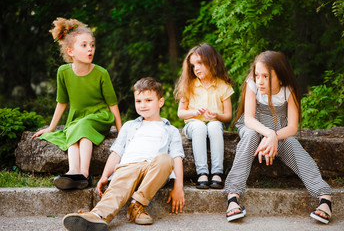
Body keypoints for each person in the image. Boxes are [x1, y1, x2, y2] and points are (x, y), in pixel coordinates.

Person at [62, 77, 185, 231]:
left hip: (153, 170)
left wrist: (178, 187)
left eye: (148, 100)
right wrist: (105, 175)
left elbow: (177, 157)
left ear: (160, 102)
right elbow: (117, 152)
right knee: (118, 186)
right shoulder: (129, 126)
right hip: (128, 167)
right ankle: (98, 216)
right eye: (138, 101)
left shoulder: (170, 130)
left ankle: (137, 204)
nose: (143, 105)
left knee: (165, 159)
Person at [225, 51, 332, 224]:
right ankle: (232, 197)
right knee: (251, 135)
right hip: (253, 127)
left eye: (266, 76)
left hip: (278, 132)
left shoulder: (288, 90)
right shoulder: (252, 85)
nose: (259, 81)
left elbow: (292, 127)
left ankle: (324, 197)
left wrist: (274, 135)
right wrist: (269, 134)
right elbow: (250, 119)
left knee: (290, 142)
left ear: (280, 77)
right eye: (257, 75)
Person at [32, 17, 122, 190]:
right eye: (84, 45)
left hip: (99, 117)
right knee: (73, 130)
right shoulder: (63, 72)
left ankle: (85, 174)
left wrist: (121, 133)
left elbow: (113, 105)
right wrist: (51, 128)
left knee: (82, 126)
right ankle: (73, 171)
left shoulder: (101, 73)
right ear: (70, 51)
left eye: (92, 45)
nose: (90, 49)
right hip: (77, 118)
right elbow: (62, 102)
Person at [174, 43, 234, 189]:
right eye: (193, 66)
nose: (196, 69)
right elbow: (180, 113)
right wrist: (194, 113)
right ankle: (202, 173)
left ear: (212, 62)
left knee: (214, 125)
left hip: (214, 125)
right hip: (193, 126)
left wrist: (217, 115)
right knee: (199, 126)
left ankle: (217, 173)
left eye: (199, 63)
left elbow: (228, 116)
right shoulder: (189, 85)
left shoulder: (223, 86)